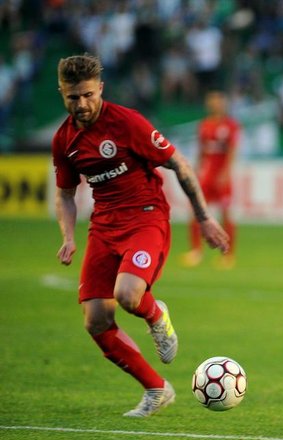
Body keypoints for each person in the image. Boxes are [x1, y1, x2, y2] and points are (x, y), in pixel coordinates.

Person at [52, 54, 230, 418]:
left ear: (100, 88)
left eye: (88, 94)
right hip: (103, 226)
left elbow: (178, 163)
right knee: (96, 320)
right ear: (62, 93)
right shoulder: (64, 139)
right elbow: (66, 193)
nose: (81, 104)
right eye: (73, 97)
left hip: (146, 218)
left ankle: (156, 315)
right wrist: (68, 237)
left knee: (128, 295)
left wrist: (205, 218)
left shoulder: (128, 123)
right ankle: (156, 388)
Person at [181, 90, 240, 269]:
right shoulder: (204, 125)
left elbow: (232, 150)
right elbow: (202, 150)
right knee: (196, 211)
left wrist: (226, 172)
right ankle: (196, 251)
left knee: (226, 213)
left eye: (217, 101)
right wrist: (196, 170)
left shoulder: (231, 126)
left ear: (223, 103)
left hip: (221, 176)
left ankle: (228, 254)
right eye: (211, 101)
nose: (214, 104)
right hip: (206, 175)